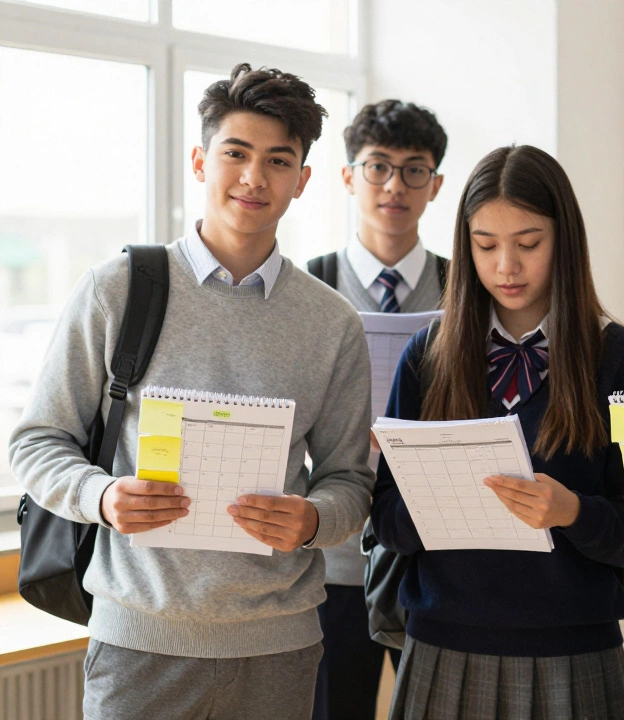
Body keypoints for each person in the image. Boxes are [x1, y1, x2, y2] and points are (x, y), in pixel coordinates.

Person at [8, 63, 374, 720]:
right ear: (202, 160)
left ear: (303, 180)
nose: (254, 178)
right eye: (236, 153)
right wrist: (102, 495)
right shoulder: (116, 289)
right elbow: (37, 442)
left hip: (281, 647)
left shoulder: (332, 322)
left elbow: (351, 481)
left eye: (278, 160)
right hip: (139, 645)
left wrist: (314, 518)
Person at [370, 144, 624, 720]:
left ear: (564, 241)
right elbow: (385, 521)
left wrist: (571, 509)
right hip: (442, 642)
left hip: (573, 647)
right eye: (485, 245)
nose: (506, 267)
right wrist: (435, 498)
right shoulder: (429, 354)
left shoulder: (618, 359)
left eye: (528, 244)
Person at [309, 98, 449, 720]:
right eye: (377, 167)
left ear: (436, 184)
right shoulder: (307, 286)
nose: (395, 185)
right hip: (330, 562)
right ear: (348, 176)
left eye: (414, 169)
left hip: (431, 550)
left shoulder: (465, 288)